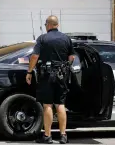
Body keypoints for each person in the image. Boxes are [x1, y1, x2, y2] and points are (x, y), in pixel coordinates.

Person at [26, 16, 75, 144]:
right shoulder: (66, 38)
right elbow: (71, 57)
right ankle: (63, 136)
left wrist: (29, 71)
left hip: (46, 75)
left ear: (48, 25)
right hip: (62, 75)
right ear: (57, 25)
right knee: (60, 104)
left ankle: (47, 136)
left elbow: (35, 56)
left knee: (47, 105)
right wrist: (66, 67)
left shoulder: (43, 38)